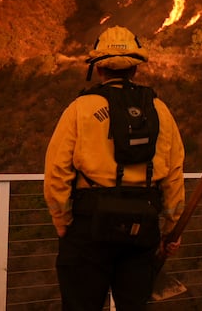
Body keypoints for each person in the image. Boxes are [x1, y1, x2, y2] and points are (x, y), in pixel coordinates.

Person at [44, 26, 186, 310]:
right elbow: (173, 176)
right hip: (142, 230)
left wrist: (63, 223)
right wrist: (170, 230)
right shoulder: (160, 110)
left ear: (98, 69)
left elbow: (56, 173)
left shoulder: (80, 109)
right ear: (135, 69)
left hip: (88, 228)